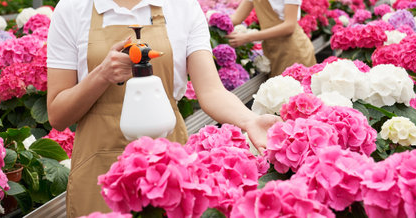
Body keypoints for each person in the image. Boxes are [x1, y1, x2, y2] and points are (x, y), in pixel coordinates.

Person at [46, 0, 281, 217]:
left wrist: (249, 120)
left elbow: (211, 91)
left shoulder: (182, 7)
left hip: (168, 167)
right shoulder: (72, 9)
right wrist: (101, 75)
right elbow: (57, 114)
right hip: (97, 166)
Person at [228, 0, 316, 77]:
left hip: (293, 51)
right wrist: (217, 22)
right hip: (273, 50)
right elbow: (236, 18)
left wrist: (247, 37)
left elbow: (289, 27)